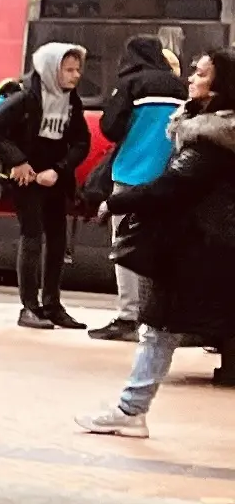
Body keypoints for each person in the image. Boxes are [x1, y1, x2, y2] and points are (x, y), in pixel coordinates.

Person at [82, 54, 235, 436]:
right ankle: (130, 409)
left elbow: (174, 188)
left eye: (200, 74)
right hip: (206, 246)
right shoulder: (206, 134)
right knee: (159, 328)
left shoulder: (211, 141)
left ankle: (131, 410)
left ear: (219, 87)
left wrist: (117, 201)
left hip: (201, 249)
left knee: (158, 327)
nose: (190, 78)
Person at [0, 42, 95, 329]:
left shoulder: (72, 102)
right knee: (32, 236)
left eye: (77, 70)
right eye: (68, 70)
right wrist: (18, 162)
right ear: (50, 69)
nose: (75, 76)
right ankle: (29, 306)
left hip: (55, 178)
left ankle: (53, 305)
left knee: (57, 240)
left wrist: (60, 169)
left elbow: (82, 141)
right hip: (26, 178)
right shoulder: (24, 98)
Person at [84, 33, 186, 339]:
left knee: (125, 247)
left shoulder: (130, 84)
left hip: (131, 175)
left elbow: (111, 128)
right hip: (169, 179)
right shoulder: (180, 87)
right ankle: (156, 315)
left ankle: (128, 317)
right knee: (162, 250)